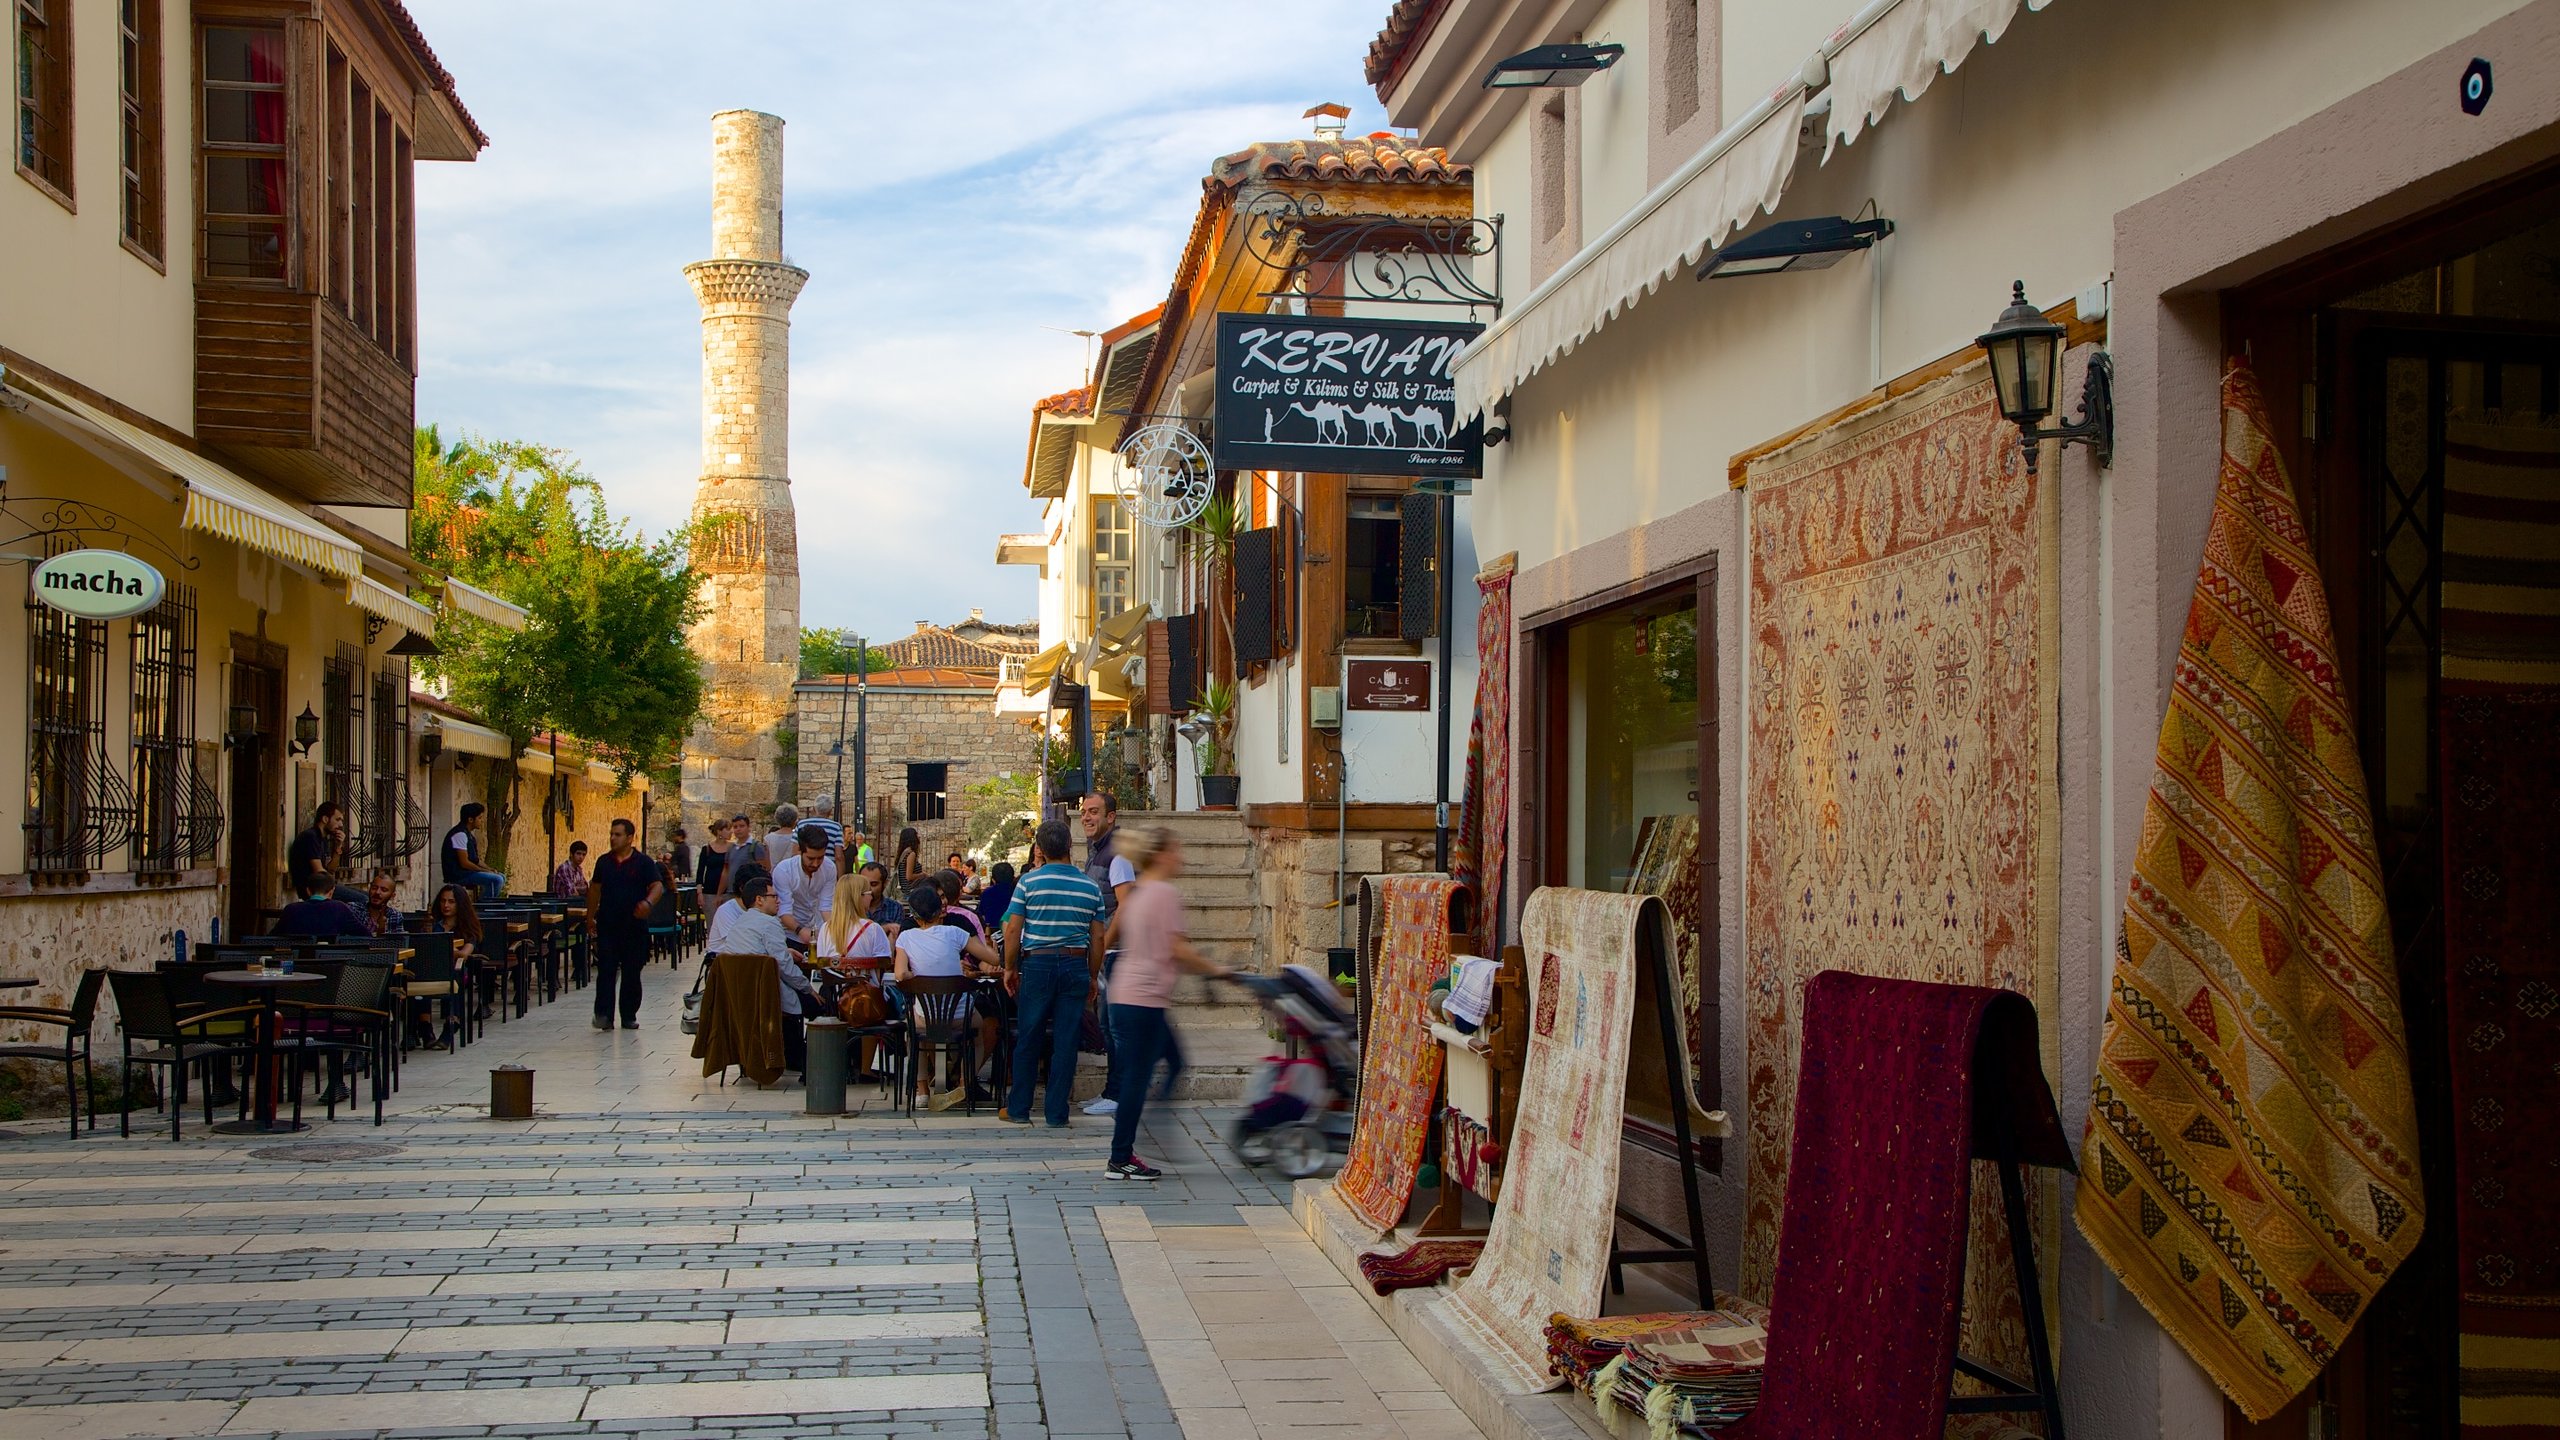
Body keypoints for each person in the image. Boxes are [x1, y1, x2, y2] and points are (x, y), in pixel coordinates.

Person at [1101, 825, 1235, 1180]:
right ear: (1161, 855)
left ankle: (1149, 1127)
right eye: (1176, 850)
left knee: (1174, 1062)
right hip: (1141, 1000)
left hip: (1132, 995)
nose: (1181, 857)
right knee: (1136, 1078)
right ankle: (1122, 1155)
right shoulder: (1163, 894)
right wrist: (1217, 970)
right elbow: (1177, 950)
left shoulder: (1142, 891)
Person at [1000, 820, 1106, 1128]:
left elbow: (1013, 931)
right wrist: (1092, 975)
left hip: (1037, 964)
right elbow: (1098, 938)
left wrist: (1010, 967)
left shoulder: (1029, 883)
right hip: (1075, 965)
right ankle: (1056, 1113)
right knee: (1066, 1040)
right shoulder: (1090, 887)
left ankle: (1019, 1108)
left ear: (1041, 850)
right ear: (1070, 846)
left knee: (1029, 1036)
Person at [894, 883, 1003, 1106]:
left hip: (925, 1018)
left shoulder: (906, 938)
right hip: (960, 1019)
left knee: (911, 1034)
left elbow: (900, 974)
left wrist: (917, 974)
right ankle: (964, 1082)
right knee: (979, 1031)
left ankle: (922, 1090)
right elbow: (993, 959)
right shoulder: (956, 933)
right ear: (941, 909)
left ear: (914, 915)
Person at [717, 873, 819, 1075]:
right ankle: (808, 1063)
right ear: (759, 899)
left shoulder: (741, 922)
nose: (779, 900)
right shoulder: (769, 923)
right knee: (820, 1006)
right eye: (774, 896)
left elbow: (755, 953)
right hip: (766, 995)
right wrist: (808, 988)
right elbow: (783, 966)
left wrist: (784, 952)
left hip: (740, 995)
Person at [1078, 791, 1138, 1117]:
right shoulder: (1098, 852)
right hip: (1107, 954)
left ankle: (1118, 1093)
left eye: (1094, 812)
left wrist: (1103, 950)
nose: (1087, 817)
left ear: (1111, 816)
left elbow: (1125, 906)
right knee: (1106, 1025)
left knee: (1116, 1028)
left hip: (1119, 953)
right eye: (1084, 811)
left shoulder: (1118, 855)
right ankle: (1110, 1091)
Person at [585, 817, 663, 1031]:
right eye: (611, 834)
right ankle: (603, 1014)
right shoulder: (604, 862)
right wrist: (590, 916)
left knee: (631, 971)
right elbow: (595, 889)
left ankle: (628, 1015)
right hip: (608, 924)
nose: (613, 838)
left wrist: (648, 903)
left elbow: (657, 886)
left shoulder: (644, 863)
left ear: (630, 838)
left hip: (634, 926)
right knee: (606, 970)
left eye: (617, 834)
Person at [287, 801, 364, 904]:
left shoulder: (322, 840)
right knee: (364, 900)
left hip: (323, 886)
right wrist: (333, 885)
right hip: (314, 889)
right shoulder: (311, 837)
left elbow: (331, 869)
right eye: (337, 819)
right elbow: (319, 871)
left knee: (367, 897)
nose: (340, 824)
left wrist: (338, 846)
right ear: (325, 819)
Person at [775, 823, 838, 947]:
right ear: (800, 850)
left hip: (819, 933)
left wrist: (833, 931)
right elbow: (783, 909)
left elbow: (826, 905)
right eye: (810, 858)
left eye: (820, 858)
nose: (815, 864)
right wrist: (800, 930)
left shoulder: (829, 867)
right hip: (790, 933)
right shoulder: (784, 870)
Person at [277, 867, 367, 939]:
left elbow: (273, 937)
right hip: (330, 959)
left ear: (308, 891)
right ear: (332, 891)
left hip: (298, 959)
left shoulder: (291, 910)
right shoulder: (339, 908)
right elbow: (365, 935)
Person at [442, 803, 506, 903]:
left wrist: (489, 869)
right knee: (496, 880)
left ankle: (485, 904)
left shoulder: (469, 836)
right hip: (459, 874)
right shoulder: (459, 834)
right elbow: (464, 863)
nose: (482, 821)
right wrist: (483, 871)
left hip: (467, 872)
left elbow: (475, 859)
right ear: (470, 819)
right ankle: (484, 908)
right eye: (479, 818)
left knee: (501, 876)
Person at [861, 860, 909, 938]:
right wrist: (886, 928)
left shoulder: (895, 908)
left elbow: (896, 936)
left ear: (885, 884)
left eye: (873, 884)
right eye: (864, 883)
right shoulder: (851, 907)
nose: (868, 889)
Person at [725, 813, 769, 894]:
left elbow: (763, 869)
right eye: (735, 827)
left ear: (748, 827)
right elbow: (726, 871)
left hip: (748, 893)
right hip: (731, 891)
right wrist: (719, 894)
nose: (738, 829)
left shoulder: (756, 847)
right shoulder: (731, 848)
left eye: (742, 826)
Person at [696, 817, 736, 899]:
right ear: (719, 831)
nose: (731, 832)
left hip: (728, 891)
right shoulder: (706, 849)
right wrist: (699, 893)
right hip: (710, 891)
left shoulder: (733, 848)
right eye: (728, 829)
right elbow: (700, 872)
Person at [975, 862, 1017, 933]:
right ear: (1013, 877)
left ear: (993, 879)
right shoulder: (1017, 893)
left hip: (991, 931)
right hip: (1013, 930)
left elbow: (982, 913)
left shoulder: (987, 893)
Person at [763, 803, 802, 875]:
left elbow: (767, 863)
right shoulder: (797, 838)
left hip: (773, 875)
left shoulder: (768, 838)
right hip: (791, 874)